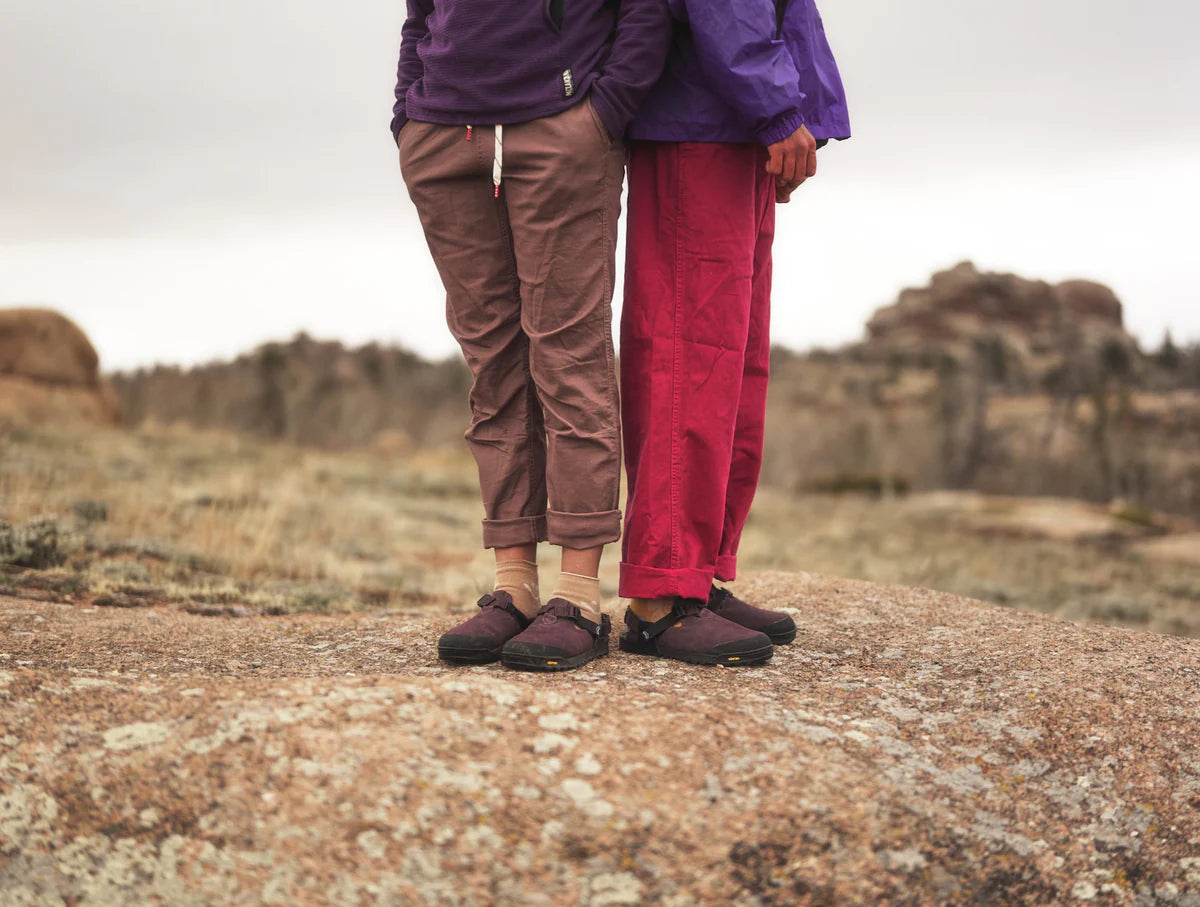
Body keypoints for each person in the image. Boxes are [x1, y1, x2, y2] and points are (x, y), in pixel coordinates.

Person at [392, 0, 670, 671]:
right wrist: (407, 113)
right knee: (491, 362)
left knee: (568, 357)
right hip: (443, 136)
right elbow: (420, 15)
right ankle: (513, 586)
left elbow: (647, 10)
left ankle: (579, 596)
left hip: (560, 128)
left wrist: (602, 116)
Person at [616, 0, 851, 665]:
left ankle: (699, 574)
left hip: (730, 122)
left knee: (734, 366)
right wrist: (777, 110)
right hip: (703, 120)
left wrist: (792, 114)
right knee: (687, 357)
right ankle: (660, 598)